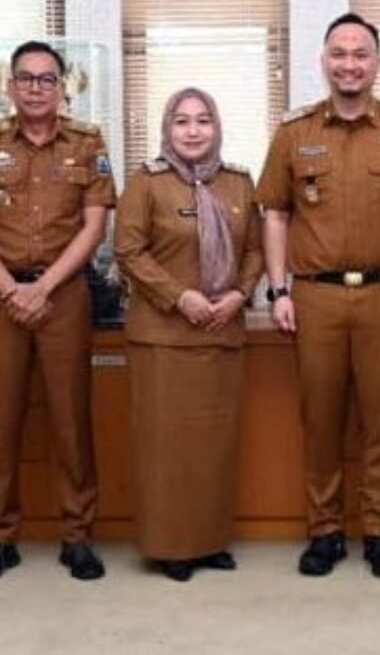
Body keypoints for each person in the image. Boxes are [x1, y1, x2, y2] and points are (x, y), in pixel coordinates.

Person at [256, 13, 380, 579]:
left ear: (377, 63)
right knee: (322, 418)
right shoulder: (295, 132)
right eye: (340, 53)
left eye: (361, 54)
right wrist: (279, 289)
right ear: (324, 61)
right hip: (315, 298)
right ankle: (325, 531)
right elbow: (276, 214)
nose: (350, 64)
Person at [115, 88, 263, 582]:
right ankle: (172, 546)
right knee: (168, 450)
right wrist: (180, 296)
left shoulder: (240, 184)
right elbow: (129, 251)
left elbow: (256, 251)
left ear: (217, 127)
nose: (194, 130)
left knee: (213, 448)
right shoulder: (146, 183)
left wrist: (241, 294)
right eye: (182, 122)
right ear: (168, 129)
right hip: (164, 339)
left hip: (222, 333)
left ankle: (210, 540)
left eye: (203, 121)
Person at [0, 40, 116, 581]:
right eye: (26, 78)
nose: (36, 88)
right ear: (10, 86)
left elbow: (95, 226)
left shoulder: (88, 143)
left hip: (64, 294)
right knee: (2, 421)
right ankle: (3, 535)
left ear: (62, 86)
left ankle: (78, 537)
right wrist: (10, 289)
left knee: (71, 419)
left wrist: (42, 286)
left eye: (47, 79)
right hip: (1, 295)